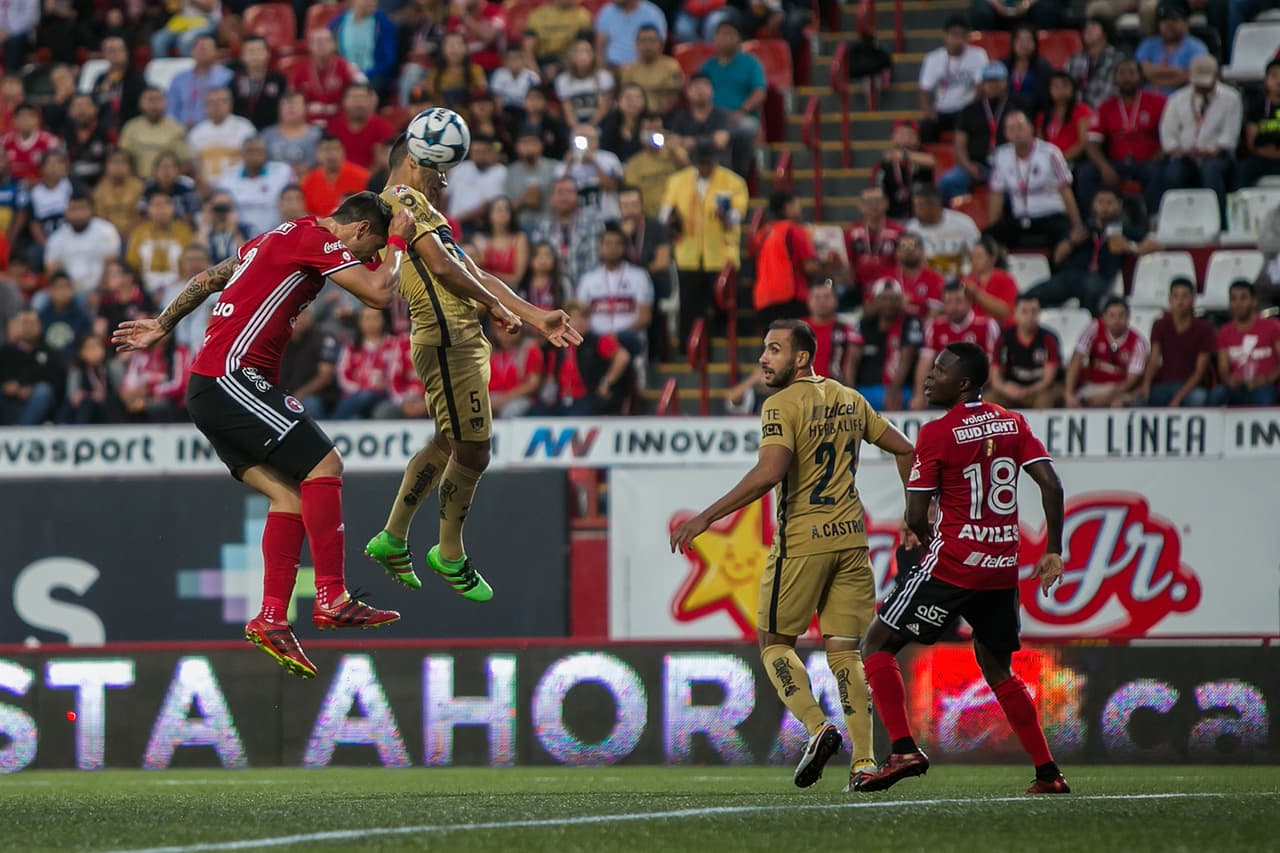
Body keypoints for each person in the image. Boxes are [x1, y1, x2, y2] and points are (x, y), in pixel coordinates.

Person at [111, 191, 415, 679]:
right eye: (367, 249)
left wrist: (162, 324)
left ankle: (272, 617)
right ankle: (332, 595)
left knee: (292, 497)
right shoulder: (317, 239)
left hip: (210, 387)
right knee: (326, 465)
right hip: (232, 377)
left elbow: (208, 278)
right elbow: (381, 293)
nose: (365, 260)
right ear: (357, 230)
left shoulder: (279, 235)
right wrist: (398, 237)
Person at [670, 319, 915, 793]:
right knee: (847, 653)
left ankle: (816, 725)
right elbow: (905, 449)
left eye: (775, 349)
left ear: (801, 357)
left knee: (774, 642)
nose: (764, 358)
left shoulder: (779, 405)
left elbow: (770, 472)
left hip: (803, 542)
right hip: (851, 539)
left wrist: (706, 518)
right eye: (764, 348)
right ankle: (864, 763)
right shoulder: (850, 397)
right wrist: (913, 516)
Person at [363, 132, 581, 598]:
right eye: (439, 167)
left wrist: (534, 315)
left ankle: (393, 536)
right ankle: (449, 551)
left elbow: (472, 271)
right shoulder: (400, 199)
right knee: (474, 451)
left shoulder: (425, 210)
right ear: (414, 160)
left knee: (448, 440)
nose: (444, 179)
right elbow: (442, 267)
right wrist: (495, 308)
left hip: (458, 337)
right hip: (446, 341)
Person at [853, 341, 1068, 795]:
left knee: (875, 643)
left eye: (940, 370)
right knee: (998, 669)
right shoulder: (1013, 422)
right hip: (1001, 569)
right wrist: (1054, 549)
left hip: (954, 566)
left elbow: (914, 515)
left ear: (964, 383)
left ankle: (903, 749)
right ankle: (1048, 772)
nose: (929, 376)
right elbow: (1050, 483)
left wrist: (929, 538)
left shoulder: (936, 433)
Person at [1028, 188, 1157, 315]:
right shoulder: (1081, 228)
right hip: (1071, 276)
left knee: (1091, 289)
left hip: (1101, 277)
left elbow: (1156, 245)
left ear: (1119, 205)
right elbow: (1057, 258)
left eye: (1109, 203)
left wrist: (1130, 247)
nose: (1104, 207)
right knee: (1033, 295)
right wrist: (1070, 243)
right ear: (1093, 205)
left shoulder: (1124, 230)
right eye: (1100, 202)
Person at [1077, 59, 1166, 218]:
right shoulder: (1106, 107)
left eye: (1132, 73)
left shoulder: (1158, 102)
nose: (1127, 77)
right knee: (1085, 172)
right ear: (1114, 79)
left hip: (1148, 161)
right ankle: (1090, 221)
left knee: (1156, 171)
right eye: (1122, 73)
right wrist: (1104, 167)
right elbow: (1091, 143)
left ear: (1141, 77)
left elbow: (1171, 133)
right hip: (1116, 162)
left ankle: (1155, 219)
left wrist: (1161, 152)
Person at [1159, 54, 1241, 226]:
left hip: (1216, 155)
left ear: (1217, 76)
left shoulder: (1231, 98)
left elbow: (1229, 136)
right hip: (1185, 155)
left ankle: (1219, 221)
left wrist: (1211, 151)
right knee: (1173, 173)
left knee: (1211, 171)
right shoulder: (1177, 99)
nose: (1202, 87)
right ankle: (1172, 221)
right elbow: (1168, 133)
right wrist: (1179, 150)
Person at [986, 111, 1083, 251]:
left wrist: (1076, 224)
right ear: (1006, 134)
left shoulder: (1050, 153)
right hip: (1020, 218)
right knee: (989, 238)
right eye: (1011, 129)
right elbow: (996, 194)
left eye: (1020, 127)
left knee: (1062, 233)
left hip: (1051, 215)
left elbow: (1065, 190)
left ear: (1031, 128)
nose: (1017, 133)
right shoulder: (1001, 156)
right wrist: (993, 226)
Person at [939, 62, 1028, 204]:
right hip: (976, 165)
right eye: (989, 80)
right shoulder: (970, 110)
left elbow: (1027, 138)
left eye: (998, 80)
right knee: (948, 183)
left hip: (1009, 165)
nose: (994, 84)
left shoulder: (1018, 106)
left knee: (1014, 191)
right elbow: (959, 145)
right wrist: (968, 166)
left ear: (1005, 82)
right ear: (982, 83)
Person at [533, 300, 633, 415]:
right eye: (574, 318)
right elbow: (551, 374)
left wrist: (607, 381)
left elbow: (623, 356)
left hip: (587, 397)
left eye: (583, 317)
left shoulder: (598, 341)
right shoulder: (559, 344)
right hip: (561, 398)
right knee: (537, 412)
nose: (579, 322)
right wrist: (549, 391)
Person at [911, 282, 1000, 408]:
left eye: (958, 301)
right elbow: (925, 362)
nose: (954, 307)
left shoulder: (986, 325)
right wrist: (919, 394)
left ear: (969, 302)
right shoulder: (935, 326)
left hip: (978, 387)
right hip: (945, 387)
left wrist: (968, 392)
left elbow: (992, 365)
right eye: (948, 302)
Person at [700, 20, 767, 164]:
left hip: (739, 118)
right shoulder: (708, 66)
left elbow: (760, 92)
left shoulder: (751, 63)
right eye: (721, 35)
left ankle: (737, 173)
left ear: (739, 39)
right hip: (713, 118)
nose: (725, 39)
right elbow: (698, 92)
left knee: (748, 127)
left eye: (729, 35)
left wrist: (742, 110)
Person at [1139, 276, 1213, 407]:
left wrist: (1179, 396)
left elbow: (1199, 371)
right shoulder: (1160, 325)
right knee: (1140, 400)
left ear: (1193, 299)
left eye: (1185, 296)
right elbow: (1154, 358)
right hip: (1165, 385)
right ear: (1170, 299)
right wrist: (1146, 384)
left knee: (1198, 398)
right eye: (1176, 296)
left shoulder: (1204, 328)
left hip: (1191, 386)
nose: (1180, 301)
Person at [850, 278, 924, 410]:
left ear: (900, 301)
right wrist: (848, 393)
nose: (889, 303)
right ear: (876, 300)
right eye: (884, 298)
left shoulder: (910, 321)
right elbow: (851, 361)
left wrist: (894, 390)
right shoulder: (864, 323)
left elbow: (907, 358)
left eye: (893, 298)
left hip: (901, 389)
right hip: (866, 389)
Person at [751, 190, 819, 329]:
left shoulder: (762, 233)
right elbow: (809, 266)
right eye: (797, 204)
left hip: (763, 300)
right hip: (790, 298)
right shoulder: (794, 229)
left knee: (773, 347)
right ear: (788, 207)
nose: (800, 208)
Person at [1064, 296, 1149, 408]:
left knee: (1117, 405)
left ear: (1128, 318)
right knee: (1074, 403)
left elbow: (1130, 381)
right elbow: (1077, 359)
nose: (1117, 320)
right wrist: (1069, 393)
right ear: (1104, 317)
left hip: (1119, 389)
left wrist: (1106, 397)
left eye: (1121, 315)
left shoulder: (1138, 342)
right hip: (1093, 386)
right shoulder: (1094, 328)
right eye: (1112, 315)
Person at [918, 16, 989, 144]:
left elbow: (981, 86)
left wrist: (972, 108)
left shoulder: (978, 55)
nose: (958, 39)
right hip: (942, 110)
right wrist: (927, 110)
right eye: (954, 35)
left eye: (963, 35)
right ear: (945, 36)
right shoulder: (933, 58)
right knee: (926, 128)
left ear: (968, 37)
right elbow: (924, 88)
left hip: (966, 109)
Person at [526, 176, 608, 285]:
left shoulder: (593, 223)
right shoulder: (542, 227)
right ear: (552, 198)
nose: (564, 197)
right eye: (560, 192)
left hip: (587, 287)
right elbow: (538, 265)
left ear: (578, 197)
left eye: (569, 192)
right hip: (553, 289)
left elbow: (594, 262)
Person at [1209, 280, 1280, 406]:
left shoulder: (1272, 326)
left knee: (1265, 399)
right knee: (1216, 396)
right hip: (1237, 386)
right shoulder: (1225, 332)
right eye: (1234, 299)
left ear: (1254, 301)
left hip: (1266, 386)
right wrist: (1229, 379)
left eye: (1243, 298)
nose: (1238, 304)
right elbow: (1223, 368)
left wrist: (1266, 379)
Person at [986, 294, 1063, 408]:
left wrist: (1026, 391)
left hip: (1041, 390)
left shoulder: (1048, 338)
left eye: (1034, 312)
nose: (1030, 316)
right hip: (1011, 390)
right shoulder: (1004, 339)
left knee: (1044, 401)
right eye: (1024, 312)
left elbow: (1048, 379)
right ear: (1015, 313)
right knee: (989, 400)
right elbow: (995, 375)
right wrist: (1005, 388)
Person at [43, 194, 121, 299]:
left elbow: (111, 266)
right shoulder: (57, 238)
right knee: (40, 300)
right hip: (68, 294)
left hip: (100, 292)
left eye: (82, 208)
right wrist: (65, 294)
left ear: (91, 210)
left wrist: (98, 292)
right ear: (65, 212)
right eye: (73, 209)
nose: (78, 214)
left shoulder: (106, 230)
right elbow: (52, 271)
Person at [216, 137, 294, 238]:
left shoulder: (282, 172)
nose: (254, 156)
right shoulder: (228, 177)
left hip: (276, 233)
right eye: (250, 151)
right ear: (242, 154)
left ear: (266, 153)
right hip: (240, 236)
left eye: (259, 151)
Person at [907, 183, 981, 283]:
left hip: (961, 281)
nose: (916, 211)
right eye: (915, 206)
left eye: (920, 206)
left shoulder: (963, 223)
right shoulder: (911, 228)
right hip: (927, 284)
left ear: (934, 205)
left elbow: (979, 254)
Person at [292, 28, 367, 126]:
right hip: (308, 124)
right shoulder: (300, 69)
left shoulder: (346, 67)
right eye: (317, 41)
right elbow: (293, 98)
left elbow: (365, 91)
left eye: (326, 41)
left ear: (333, 45)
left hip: (341, 122)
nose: (322, 45)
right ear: (310, 46)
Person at [0, 310, 63, 425]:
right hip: (9, 402)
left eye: (33, 323)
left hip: (38, 401)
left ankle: (20, 434)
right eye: (25, 323)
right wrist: (6, 386)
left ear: (40, 325)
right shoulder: (6, 352)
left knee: (43, 391)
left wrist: (31, 388)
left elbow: (57, 382)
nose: (29, 327)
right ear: (16, 326)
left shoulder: (49, 352)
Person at [1135, 1, 1207, 97]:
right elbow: (1141, 71)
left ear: (1186, 23)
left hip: (1183, 101)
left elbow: (1192, 76)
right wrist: (1176, 71)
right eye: (1164, 20)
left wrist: (1157, 78)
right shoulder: (1148, 44)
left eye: (1174, 19)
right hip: (1150, 102)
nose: (1169, 25)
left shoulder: (1196, 47)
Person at [188, 89, 258, 186]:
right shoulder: (196, 133)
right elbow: (194, 167)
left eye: (222, 101)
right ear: (205, 107)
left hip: (240, 185)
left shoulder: (244, 128)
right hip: (208, 188)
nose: (217, 106)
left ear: (230, 104)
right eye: (212, 102)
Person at [329, 0, 399, 95]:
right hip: (343, 75)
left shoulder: (383, 23)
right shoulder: (337, 23)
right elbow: (331, 53)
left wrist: (365, 75)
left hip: (373, 76)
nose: (372, 2)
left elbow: (388, 59)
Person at [118, 88, 189, 180]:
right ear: (141, 103)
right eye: (150, 99)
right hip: (136, 182)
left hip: (166, 183)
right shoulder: (131, 127)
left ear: (166, 103)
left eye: (158, 99)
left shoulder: (177, 129)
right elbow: (123, 158)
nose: (154, 104)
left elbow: (184, 162)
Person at [166, 36, 234, 130]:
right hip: (180, 132)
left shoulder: (227, 77)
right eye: (200, 48)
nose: (203, 51)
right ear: (192, 52)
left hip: (215, 130)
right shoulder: (179, 79)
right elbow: (171, 109)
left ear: (216, 53)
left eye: (207, 48)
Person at [621, 24, 685, 116]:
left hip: (663, 117)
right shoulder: (629, 69)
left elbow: (673, 99)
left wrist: (653, 118)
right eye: (643, 41)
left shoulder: (670, 66)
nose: (647, 45)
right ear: (636, 44)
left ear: (661, 44)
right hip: (635, 117)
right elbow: (625, 99)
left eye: (651, 40)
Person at [877, 120, 936, 221]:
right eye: (900, 133)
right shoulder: (885, 163)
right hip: (895, 216)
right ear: (892, 137)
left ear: (918, 139)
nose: (905, 137)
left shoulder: (924, 154)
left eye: (910, 134)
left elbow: (932, 162)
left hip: (924, 215)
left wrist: (904, 155)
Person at [325, 83, 393, 172]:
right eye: (353, 98)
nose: (358, 103)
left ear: (370, 101)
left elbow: (386, 162)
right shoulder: (334, 126)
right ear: (344, 101)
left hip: (371, 181)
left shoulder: (382, 127)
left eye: (362, 98)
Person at [446, 135, 510, 225]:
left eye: (483, 152)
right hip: (452, 223)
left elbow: (489, 205)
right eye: (475, 152)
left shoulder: (500, 172)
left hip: (480, 225)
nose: (479, 156)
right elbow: (446, 196)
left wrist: (459, 220)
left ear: (492, 152)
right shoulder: (460, 168)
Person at [301, 136, 371, 217]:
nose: (331, 154)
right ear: (317, 153)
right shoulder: (308, 181)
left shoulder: (363, 176)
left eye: (335, 149)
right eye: (326, 149)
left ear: (343, 151)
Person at [91, 35, 146, 137]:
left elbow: (140, 109)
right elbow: (93, 104)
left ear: (126, 52)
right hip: (102, 132)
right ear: (104, 54)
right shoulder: (101, 78)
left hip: (128, 130)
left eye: (119, 50)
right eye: (110, 50)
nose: (115, 54)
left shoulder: (135, 77)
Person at [1065, 16, 1124, 110]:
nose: (1088, 30)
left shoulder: (1117, 59)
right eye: (1086, 28)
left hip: (1106, 112)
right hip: (1077, 114)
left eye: (1093, 27)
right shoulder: (1074, 59)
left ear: (1105, 32)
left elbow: (1113, 92)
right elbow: (1066, 88)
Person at [231, 36, 288, 131]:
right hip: (241, 131)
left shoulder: (278, 79)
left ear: (267, 54)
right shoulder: (235, 81)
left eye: (259, 51)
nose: (255, 55)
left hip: (272, 130)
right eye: (250, 52)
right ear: (242, 56)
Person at [262, 93, 325, 179]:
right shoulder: (267, 135)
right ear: (279, 109)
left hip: (309, 181)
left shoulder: (318, 135)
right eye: (286, 103)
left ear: (305, 108)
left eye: (295, 103)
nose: (291, 107)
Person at [1239, 58, 1280, 188]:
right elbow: (1253, 145)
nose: (1279, 81)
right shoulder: (1256, 107)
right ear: (1266, 81)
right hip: (1262, 159)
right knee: (1245, 168)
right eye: (1274, 76)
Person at [556, 38, 614, 128]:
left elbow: (604, 109)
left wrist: (590, 126)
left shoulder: (604, 76)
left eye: (587, 51)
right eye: (579, 52)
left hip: (599, 122)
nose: (583, 56)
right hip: (576, 124)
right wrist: (577, 128)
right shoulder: (563, 79)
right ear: (571, 56)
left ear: (593, 55)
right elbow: (568, 112)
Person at [1038, 73, 1094, 166]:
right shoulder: (1043, 115)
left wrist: (1062, 159)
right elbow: (1040, 143)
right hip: (1048, 162)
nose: (1060, 89)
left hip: (1073, 161)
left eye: (1064, 85)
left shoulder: (1082, 110)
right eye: (1055, 86)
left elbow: (1083, 142)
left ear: (1072, 89)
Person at [889, 232, 947, 320]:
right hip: (893, 328)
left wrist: (913, 299)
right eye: (904, 246)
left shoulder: (935, 278)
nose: (909, 250)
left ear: (923, 251)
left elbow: (935, 312)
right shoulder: (887, 277)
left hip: (923, 328)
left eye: (914, 246)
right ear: (897, 253)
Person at [526, 0, 593, 76]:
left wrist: (561, 66)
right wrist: (533, 68)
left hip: (569, 63)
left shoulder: (583, 16)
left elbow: (584, 46)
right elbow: (528, 47)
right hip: (542, 62)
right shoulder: (537, 15)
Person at [475, 197, 530, 288]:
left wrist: (487, 276)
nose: (503, 213)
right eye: (499, 209)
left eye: (506, 209)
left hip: (512, 291)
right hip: (483, 291)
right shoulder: (480, 238)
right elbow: (474, 272)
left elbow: (517, 279)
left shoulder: (519, 238)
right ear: (489, 214)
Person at [595, 0, 667, 69]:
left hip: (644, 70)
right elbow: (599, 49)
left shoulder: (653, 14)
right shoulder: (606, 12)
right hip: (612, 70)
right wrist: (605, 72)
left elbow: (660, 48)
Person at [1, 103, 61, 185]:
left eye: (30, 116)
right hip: (10, 189)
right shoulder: (4, 141)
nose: (26, 120)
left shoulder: (50, 142)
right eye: (22, 116)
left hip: (42, 188)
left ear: (37, 120)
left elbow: (60, 169)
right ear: (14, 120)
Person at [505, 129, 559, 216]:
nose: (529, 146)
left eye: (533, 142)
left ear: (541, 145)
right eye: (524, 143)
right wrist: (523, 200)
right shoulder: (510, 172)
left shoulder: (555, 167)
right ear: (516, 147)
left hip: (549, 223)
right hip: (520, 224)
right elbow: (505, 207)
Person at [1002, 24, 1053, 113]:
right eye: (1020, 39)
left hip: (1033, 112)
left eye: (1029, 39)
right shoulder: (1003, 65)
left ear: (1035, 43)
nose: (1024, 44)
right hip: (1005, 113)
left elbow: (1044, 99)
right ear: (1012, 42)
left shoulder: (1043, 67)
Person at [62, 95, 109, 186]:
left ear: (96, 109)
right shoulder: (64, 134)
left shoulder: (107, 133)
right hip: (72, 185)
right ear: (69, 111)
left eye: (87, 105)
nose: (82, 110)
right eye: (77, 106)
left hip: (103, 184)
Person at [971, 0, 1060, 29]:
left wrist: (1026, 3)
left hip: (1027, 12)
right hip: (995, 12)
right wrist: (997, 5)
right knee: (981, 12)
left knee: (1046, 10)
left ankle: (1044, 44)